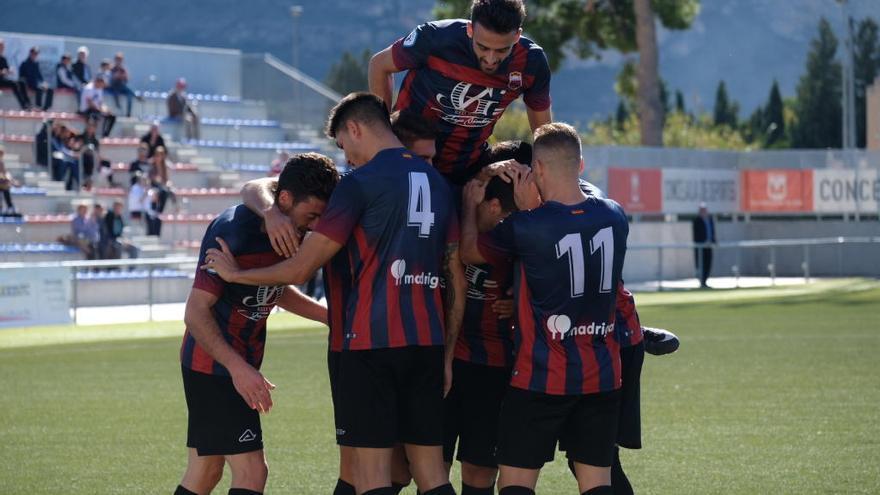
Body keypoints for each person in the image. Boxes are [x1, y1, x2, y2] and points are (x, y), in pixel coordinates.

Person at [205, 92, 464, 495]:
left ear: (356, 129)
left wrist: (238, 275)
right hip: (427, 342)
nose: (347, 158)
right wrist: (446, 355)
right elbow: (456, 279)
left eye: (344, 146)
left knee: (370, 473)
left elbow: (301, 267)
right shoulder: (439, 185)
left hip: (369, 344)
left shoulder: (360, 184)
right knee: (432, 473)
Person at [460, 123, 628, 495]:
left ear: (536, 170)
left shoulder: (527, 225)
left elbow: (469, 252)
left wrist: (471, 208)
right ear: (581, 166)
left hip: (540, 376)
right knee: (597, 482)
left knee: (517, 482)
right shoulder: (616, 215)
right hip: (601, 374)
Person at [173, 153, 338, 495]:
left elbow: (272, 289)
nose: (313, 225)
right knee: (252, 473)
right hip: (215, 365)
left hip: (230, 364)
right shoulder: (232, 233)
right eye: (311, 216)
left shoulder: (285, 233)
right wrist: (238, 369)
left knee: (205, 472)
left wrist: (327, 318)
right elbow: (195, 312)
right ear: (285, 200)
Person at [368, 0, 552, 184]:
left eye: (502, 50)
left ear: (517, 36)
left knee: (523, 162)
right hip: (409, 157)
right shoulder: (435, 37)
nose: (490, 59)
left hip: (467, 167)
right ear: (470, 30)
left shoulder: (532, 62)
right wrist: (384, 140)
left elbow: (543, 133)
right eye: (483, 47)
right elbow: (379, 66)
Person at [18, 46, 53, 110]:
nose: (35, 55)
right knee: (39, 89)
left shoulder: (36, 63)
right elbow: (21, 77)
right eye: (34, 53)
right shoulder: (24, 63)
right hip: (28, 84)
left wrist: (44, 83)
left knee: (50, 89)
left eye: (36, 53)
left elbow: (39, 75)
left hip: (36, 84)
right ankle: (38, 106)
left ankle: (46, 108)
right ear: (30, 53)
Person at [0, 39, 31, 110]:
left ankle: (28, 103)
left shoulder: (3, 58)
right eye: (0, 46)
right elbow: (2, 71)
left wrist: (9, 70)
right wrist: (2, 72)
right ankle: (23, 105)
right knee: (14, 84)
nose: (2, 48)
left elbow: (6, 70)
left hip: (2, 80)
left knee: (22, 82)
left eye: (2, 46)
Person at [691, 202, 716, 288]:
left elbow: (712, 231)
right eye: (702, 210)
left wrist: (713, 241)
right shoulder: (697, 220)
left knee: (708, 264)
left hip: (709, 246)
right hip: (700, 247)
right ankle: (702, 282)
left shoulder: (710, 219)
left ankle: (705, 281)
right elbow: (696, 234)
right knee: (700, 264)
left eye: (705, 210)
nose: (704, 212)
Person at [109, 52, 140, 117]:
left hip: (122, 86)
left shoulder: (123, 69)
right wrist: (117, 76)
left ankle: (128, 113)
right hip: (114, 87)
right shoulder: (112, 68)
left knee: (129, 95)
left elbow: (127, 80)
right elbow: (111, 79)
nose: (119, 61)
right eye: (117, 59)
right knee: (117, 92)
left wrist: (124, 76)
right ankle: (118, 106)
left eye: (120, 59)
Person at [0, 147, 20, 215]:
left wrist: (12, 181)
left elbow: (5, 174)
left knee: (6, 189)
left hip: (2, 184)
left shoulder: (1, 163)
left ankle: (10, 208)